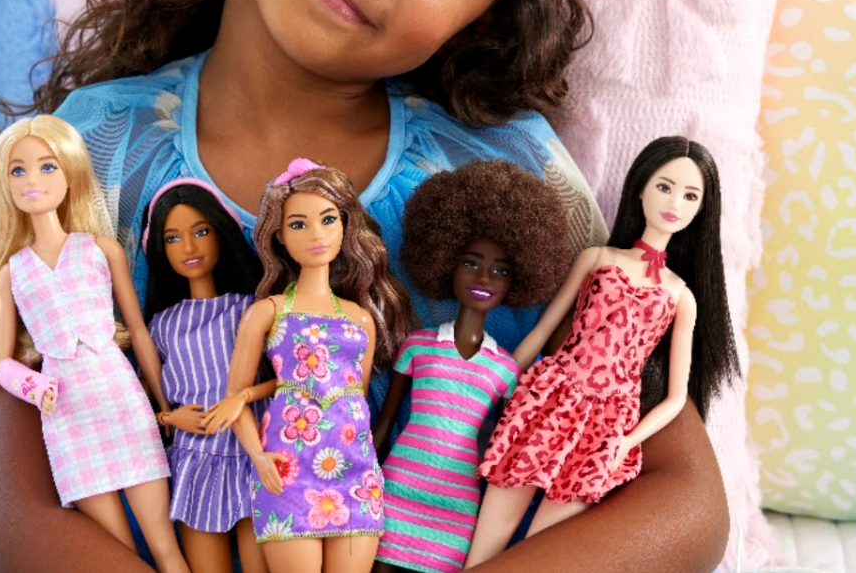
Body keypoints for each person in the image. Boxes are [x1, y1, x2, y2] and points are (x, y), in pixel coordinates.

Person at [0, 0, 729, 571]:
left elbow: (686, 501)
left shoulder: (505, 178)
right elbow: (15, 509)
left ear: (485, 18)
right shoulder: (96, 151)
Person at [466, 137, 741, 563]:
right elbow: (544, 330)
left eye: (691, 196)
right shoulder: (598, 259)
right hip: (550, 398)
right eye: (664, 187)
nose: (675, 203)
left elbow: (674, 398)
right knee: (485, 545)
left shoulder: (680, 296)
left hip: (606, 425)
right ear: (641, 189)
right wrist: (495, 387)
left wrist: (627, 441)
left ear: (702, 209)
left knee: (543, 554)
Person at [0, 115, 188, 573]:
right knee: (118, 555)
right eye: (17, 170)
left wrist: (164, 405)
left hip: (122, 403)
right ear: (3, 185)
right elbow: (3, 364)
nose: (32, 180)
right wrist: (33, 386)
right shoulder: (13, 272)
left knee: (165, 547)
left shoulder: (100, 250)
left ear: (70, 174)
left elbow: (138, 332)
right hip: (67, 418)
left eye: (47, 166)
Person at [371, 161, 571, 573]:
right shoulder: (418, 346)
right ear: (445, 261)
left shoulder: (504, 371)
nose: (484, 278)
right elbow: (384, 423)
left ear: (518, 280)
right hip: (399, 482)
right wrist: (361, 473)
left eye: (501, 271)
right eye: (471, 263)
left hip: (458, 499)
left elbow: (500, 448)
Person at [222, 159, 413, 573]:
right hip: (287, 465)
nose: (316, 234)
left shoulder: (361, 318)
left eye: (328, 220)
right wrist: (259, 458)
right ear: (279, 236)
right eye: (298, 224)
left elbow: (358, 397)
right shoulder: (267, 312)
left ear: (345, 225)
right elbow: (234, 398)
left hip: (355, 468)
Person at [140, 178, 271, 573]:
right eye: (173, 238)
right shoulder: (162, 326)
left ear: (221, 233)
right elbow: (139, 402)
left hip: (254, 453)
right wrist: (169, 417)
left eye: (200, 232)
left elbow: (286, 377)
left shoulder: (252, 309)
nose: (189, 248)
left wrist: (243, 398)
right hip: (196, 459)